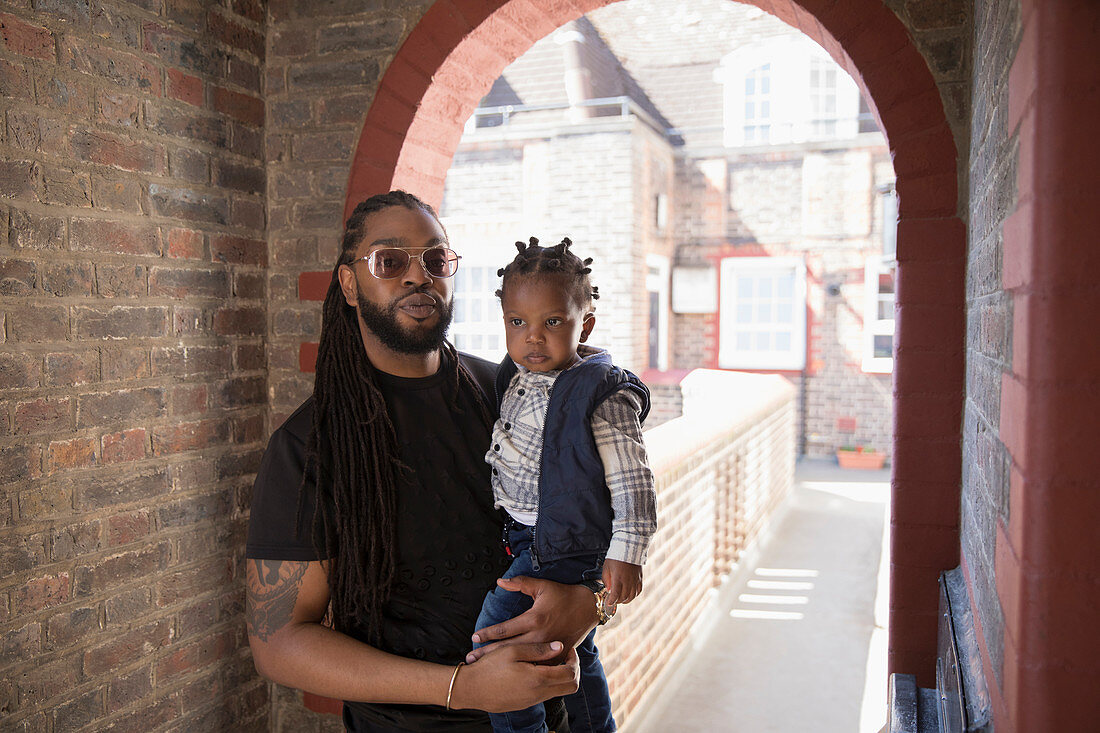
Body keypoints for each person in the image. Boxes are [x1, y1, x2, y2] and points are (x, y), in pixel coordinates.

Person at [244, 191, 600, 732]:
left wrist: (589, 603)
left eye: (435, 260)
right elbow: (279, 642)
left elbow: (596, 516)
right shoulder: (309, 446)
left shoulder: (515, 395)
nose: (418, 276)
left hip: (551, 718)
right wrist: (461, 688)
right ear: (348, 285)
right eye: (390, 261)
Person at [475, 237, 657, 733]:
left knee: (497, 636)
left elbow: (633, 481)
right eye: (518, 322)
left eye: (552, 322)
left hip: (565, 539)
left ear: (585, 325)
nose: (533, 338)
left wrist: (628, 553)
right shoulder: (514, 377)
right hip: (525, 533)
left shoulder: (599, 394)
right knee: (572, 646)